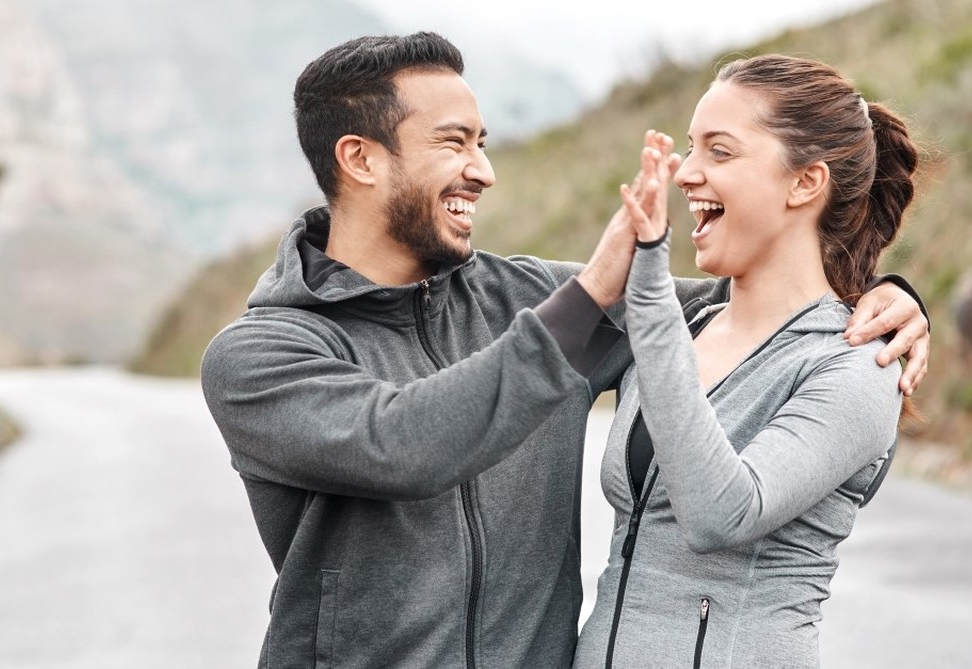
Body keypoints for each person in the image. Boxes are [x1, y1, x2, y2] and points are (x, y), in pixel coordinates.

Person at [200, 33, 930, 669]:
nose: (483, 170)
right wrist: (590, 299)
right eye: (454, 142)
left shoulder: (520, 300)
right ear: (360, 159)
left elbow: (749, 304)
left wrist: (882, 291)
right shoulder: (261, 357)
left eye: (483, 143)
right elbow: (403, 442)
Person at [573, 55, 920, 668]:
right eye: (689, 148)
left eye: (721, 151)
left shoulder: (854, 368)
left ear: (805, 183)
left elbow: (723, 513)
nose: (685, 172)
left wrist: (649, 287)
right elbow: (504, 290)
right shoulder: (687, 320)